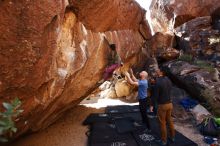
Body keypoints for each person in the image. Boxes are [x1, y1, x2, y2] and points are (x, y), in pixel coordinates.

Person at [154, 69, 175, 145]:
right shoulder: (168, 79)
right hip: (170, 104)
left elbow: (156, 96)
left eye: (158, 71)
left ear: (161, 72)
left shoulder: (158, 82)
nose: (156, 71)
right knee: (170, 121)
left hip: (162, 105)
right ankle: (173, 137)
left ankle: (164, 141)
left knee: (162, 123)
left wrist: (152, 105)